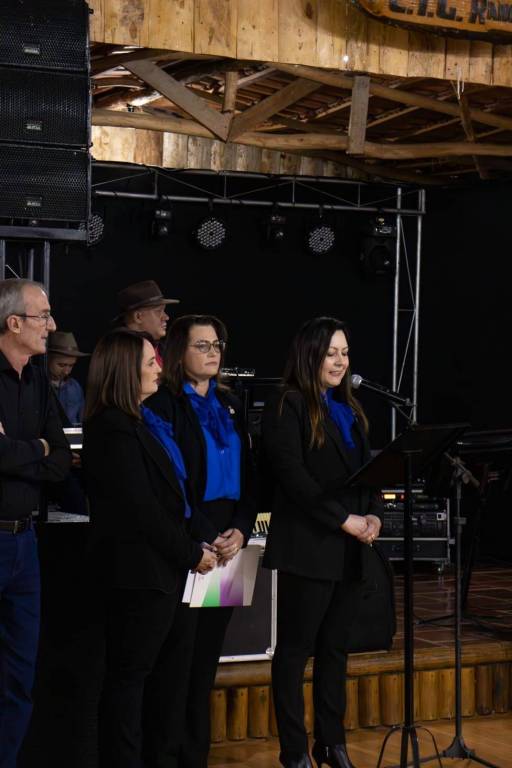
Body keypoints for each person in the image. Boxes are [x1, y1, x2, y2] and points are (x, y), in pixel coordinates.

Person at [82, 329, 217, 768]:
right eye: (149, 362)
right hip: (138, 577)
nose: (159, 367)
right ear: (126, 371)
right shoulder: (111, 429)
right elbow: (141, 511)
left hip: (164, 575)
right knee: (129, 684)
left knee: (165, 683)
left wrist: (205, 536)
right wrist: (192, 553)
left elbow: (174, 498)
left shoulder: (142, 422)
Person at [261, 317, 383, 768]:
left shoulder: (348, 407)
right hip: (309, 546)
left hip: (350, 550)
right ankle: (294, 750)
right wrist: (343, 519)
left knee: (335, 650)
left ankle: (332, 743)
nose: (340, 361)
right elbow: (293, 477)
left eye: (345, 353)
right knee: (295, 651)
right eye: (331, 353)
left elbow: (369, 471)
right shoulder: (287, 404)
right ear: (309, 355)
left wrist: (374, 514)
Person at [146, 314, 257, 768]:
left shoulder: (231, 404)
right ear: (178, 352)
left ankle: (196, 756)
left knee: (208, 659)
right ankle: (164, 755)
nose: (213, 353)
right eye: (202, 345)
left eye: (217, 345)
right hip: (192, 545)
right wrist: (206, 535)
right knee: (177, 660)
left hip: (231, 545)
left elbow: (252, 477)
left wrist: (242, 529)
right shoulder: (162, 405)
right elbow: (171, 484)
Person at [0, 278, 71, 768]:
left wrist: (22, 450)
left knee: (18, 677)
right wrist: (37, 450)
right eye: (43, 315)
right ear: (13, 323)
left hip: (25, 544)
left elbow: (61, 459)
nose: (52, 324)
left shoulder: (40, 381)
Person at [114, 279, 179, 366]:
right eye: (158, 311)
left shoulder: (165, 351)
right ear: (138, 317)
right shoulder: (120, 357)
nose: (166, 317)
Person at [47, 331, 89, 426]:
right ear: (48, 358)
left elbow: (82, 421)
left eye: (71, 366)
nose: (66, 372)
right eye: (61, 365)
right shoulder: (38, 386)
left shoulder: (75, 387)